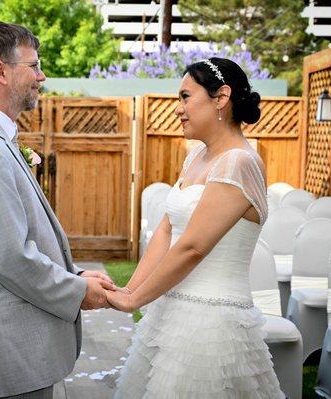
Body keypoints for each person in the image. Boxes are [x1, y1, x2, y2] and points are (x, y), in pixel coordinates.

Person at [0, 21, 115, 399]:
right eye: (33, 65)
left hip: (21, 349)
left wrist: (76, 272)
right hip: (12, 353)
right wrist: (77, 291)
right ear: (0, 72)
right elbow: (12, 258)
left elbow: (19, 238)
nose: (42, 75)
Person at [107, 57, 284, 397]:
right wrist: (131, 289)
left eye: (186, 97)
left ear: (221, 97)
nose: (178, 109)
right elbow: (166, 231)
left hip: (211, 324)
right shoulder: (196, 158)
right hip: (171, 310)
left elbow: (193, 246)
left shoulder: (239, 161)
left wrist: (133, 302)